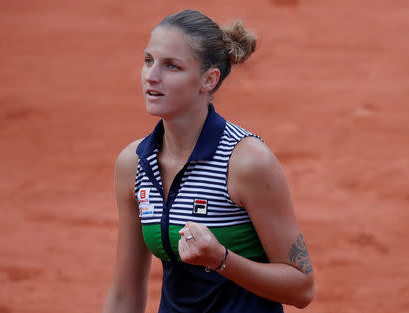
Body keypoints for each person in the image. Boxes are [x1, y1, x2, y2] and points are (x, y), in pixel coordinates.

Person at [102, 9, 314, 313]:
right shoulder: (134, 164)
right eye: (148, 60)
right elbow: (124, 295)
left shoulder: (247, 163)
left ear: (208, 79)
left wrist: (221, 259)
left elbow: (302, 288)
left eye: (171, 66)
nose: (151, 75)